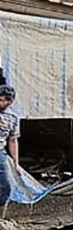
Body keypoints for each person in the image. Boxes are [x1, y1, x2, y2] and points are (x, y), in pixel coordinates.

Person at [0, 85, 20, 215]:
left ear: (11, 102)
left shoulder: (13, 117)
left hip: (0, 153)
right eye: (0, 100)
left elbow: (13, 141)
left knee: (5, 187)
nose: (2, 103)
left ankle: (1, 219)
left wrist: (16, 163)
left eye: (6, 100)